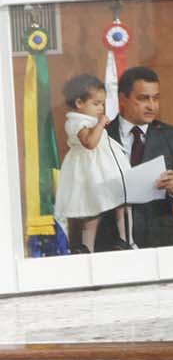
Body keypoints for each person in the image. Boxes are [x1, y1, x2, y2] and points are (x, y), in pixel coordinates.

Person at [105, 67, 173, 250]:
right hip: (110, 242)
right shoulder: (101, 136)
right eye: (143, 98)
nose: (152, 106)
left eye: (156, 98)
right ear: (122, 99)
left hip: (160, 242)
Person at [55, 73, 129, 253]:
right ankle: (88, 247)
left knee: (122, 202)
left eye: (102, 104)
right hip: (91, 170)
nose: (101, 108)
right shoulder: (76, 122)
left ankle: (125, 239)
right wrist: (101, 123)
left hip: (102, 167)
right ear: (79, 103)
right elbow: (90, 143)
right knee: (92, 211)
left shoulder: (87, 119)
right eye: (96, 104)